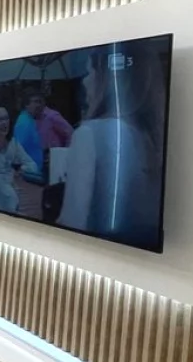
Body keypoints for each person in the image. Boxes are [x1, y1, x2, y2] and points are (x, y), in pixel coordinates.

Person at [56, 44, 167, 250]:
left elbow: (72, 223)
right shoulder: (150, 138)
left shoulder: (88, 135)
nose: (84, 81)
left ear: (104, 79)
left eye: (89, 72)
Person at [0, 105, 40, 183]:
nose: (4, 123)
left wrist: (21, 170)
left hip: (11, 187)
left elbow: (32, 165)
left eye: (6, 118)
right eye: (0, 120)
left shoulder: (13, 143)